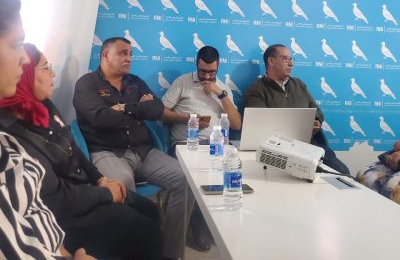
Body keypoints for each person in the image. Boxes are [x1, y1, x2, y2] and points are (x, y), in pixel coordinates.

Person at [0, 42, 163, 260]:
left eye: (131, 54)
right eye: (46, 68)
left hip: (94, 183)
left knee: (151, 211)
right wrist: (106, 193)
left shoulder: (45, 105)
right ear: (24, 74)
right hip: (68, 213)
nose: (53, 74)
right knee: (147, 233)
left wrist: (100, 179)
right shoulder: (11, 134)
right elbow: (57, 197)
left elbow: (74, 150)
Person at [73, 37, 191, 260]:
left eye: (130, 54)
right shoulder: (87, 84)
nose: (128, 58)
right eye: (123, 53)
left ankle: (169, 252)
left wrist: (122, 107)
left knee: (185, 179)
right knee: (122, 184)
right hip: (108, 152)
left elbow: (156, 110)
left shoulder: (135, 82)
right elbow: (101, 119)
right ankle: (132, 253)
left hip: (143, 150)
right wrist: (138, 108)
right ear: (105, 55)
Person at [0, 0, 93, 259]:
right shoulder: (11, 130)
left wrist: (63, 253)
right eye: (16, 44)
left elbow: (34, 214)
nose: (23, 59)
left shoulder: (8, 144)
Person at [162, 45, 241, 252]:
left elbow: (236, 124)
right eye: (203, 71)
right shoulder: (182, 82)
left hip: (217, 145)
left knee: (232, 173)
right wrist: (188, 119)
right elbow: (162, 112)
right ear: (196, 64)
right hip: (186, 144)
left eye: (211, 72)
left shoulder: (222, 88)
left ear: (218, 67)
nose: (206, 76)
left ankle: (214, 223)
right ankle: (197, 223)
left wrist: (221, 94)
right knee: (195, 177)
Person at [245, 44, 349, 175]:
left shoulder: (298, 84)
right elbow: (259, 125)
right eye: (285, 59)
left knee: (342, 172)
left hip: (309, 144)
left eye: (291, 59)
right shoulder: (257, 90)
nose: (291, 63)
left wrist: (315, 121)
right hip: (278, 150)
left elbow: (317, 111)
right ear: (271, 61)